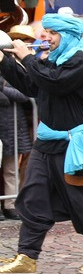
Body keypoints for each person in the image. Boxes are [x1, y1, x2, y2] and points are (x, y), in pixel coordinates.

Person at [0, 13, 83, 274]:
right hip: (47, 141)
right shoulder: (56, 59)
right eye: (46, 33)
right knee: (33, 199)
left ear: (66, 35)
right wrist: (5, 62)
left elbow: (53, 82)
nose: (46, 38)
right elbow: (34, 86)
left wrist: (26, 57)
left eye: (52, 34)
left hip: (74, 143)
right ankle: (26, 257)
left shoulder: (82, 60)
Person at [0, 76, 31, 221]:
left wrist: (2, 89)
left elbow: (23, 95)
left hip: (12, 129)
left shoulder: (11, 73)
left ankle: (10, 205)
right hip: (8, 128)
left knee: (11, 170)